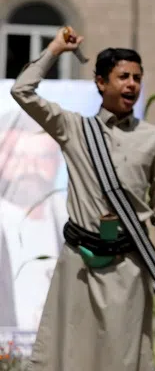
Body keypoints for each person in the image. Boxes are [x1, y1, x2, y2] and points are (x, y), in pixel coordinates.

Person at [10, 27, 155, 371]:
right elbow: (22, 90)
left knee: (121, 359)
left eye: (137, 78)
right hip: (78, 265)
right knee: (67, 355)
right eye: (123, 76)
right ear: (100, 82)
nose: (132, 84)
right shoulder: (72, 128)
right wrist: (55, 49)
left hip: (128, 266)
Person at [0, 114, 67, 330]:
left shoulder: (70, 219)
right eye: (18, 157)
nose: (31, 168)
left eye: (43, 158)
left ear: (58, 161)